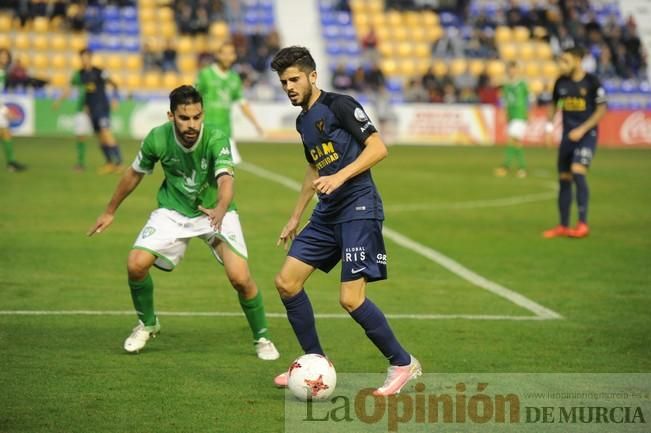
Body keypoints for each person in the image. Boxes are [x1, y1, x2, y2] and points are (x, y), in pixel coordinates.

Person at [269, 46, 421, 396]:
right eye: (283, 82)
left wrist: (340, 177)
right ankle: (314, 363)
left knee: (351, 299)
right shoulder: (302, 120)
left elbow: (378, 148)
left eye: (294, 79)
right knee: (287, 283)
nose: (289, 86)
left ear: (312, 76)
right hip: (326, 212)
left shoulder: (340, 104)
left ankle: (402, 362)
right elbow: (314, 166)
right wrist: (295, 216)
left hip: (358, 207)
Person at [87, 85, 279, 360]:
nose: (192, 124)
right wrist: (109, 211)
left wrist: (221, 208)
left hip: (215, 212)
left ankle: (262, 337)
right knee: (136, 264)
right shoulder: (157, 138)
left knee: (240, 277)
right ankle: (148, 324)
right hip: (173, 211)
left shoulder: (215, 137)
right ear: (170, 116)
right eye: (184, 118)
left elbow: (226, 179)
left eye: (197, 117)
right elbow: (133, 174)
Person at [543, 47, 607, 239]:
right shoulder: (561, 82)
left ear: (578, 61)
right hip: (567, 137)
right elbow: (554, 105)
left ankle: (582, 223)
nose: (561, 64)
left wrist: (582, 129)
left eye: (566, 60)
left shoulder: (592, 82)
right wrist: (548, 128)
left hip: (587, 136)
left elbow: (601, 109)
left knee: (578, 171)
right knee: (564, 178)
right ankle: (563, 225)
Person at [195, 41, 264, 165]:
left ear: (234, 56)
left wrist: (256, 125)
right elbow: (194, 99)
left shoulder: (234, 78)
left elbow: (243, 104)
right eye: (224, 53)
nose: (227, 57)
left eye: (230, 53)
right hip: (205, 131)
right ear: (218, 55)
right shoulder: (206, 74)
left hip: (225, 133)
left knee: (228, 171)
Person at [76, 49, 124, 174]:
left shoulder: (99, 72)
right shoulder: (81, 74)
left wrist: (115, 99)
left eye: (86, 57)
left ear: (90, 58)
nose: (84, 60)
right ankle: (109, 162)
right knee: (100, 138)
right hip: (91, 110)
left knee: (106, 134)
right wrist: (86, 105)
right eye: (82, 57)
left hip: (102, 107)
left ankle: (119, 163)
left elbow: (114, 84)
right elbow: (87, 91)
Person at [53, 68, 94, 171]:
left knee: (102, 136)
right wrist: (59, 100)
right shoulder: (79, 75)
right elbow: (69, 89)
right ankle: (80, 163)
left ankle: (114, 162)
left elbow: (97, 92)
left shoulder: (94, 75)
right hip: (81, 111)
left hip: (93, 110)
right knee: (80, 136)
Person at [495, 61, 529, 178]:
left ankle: (505, 166)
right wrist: (502, 112)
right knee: (517, 143)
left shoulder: (522, 84)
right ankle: (522, 168)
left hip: (520, 115)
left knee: (512, 140)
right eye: (509, 69)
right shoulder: (506, 86)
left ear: (517, 70)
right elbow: (503, 100)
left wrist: (529, 113)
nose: (511, 71)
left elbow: (529, 99)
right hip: (511, 116)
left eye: (513, 69)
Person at [0, 48, 27, 172]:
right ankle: (11, 163)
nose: (4, 59)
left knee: (6, 133)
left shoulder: (3, 73)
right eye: (2, 56)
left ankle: (11, 163)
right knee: (5, 133)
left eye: (6, 56)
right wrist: (5, 110)